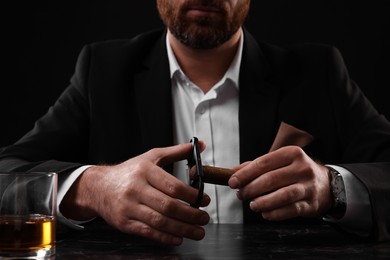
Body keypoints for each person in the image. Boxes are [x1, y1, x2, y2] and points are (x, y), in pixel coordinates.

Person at [1, 0, 390, 245]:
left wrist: (333, 187)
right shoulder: (102, 71)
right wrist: (94, 188)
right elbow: (6, 176)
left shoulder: (317, 72)